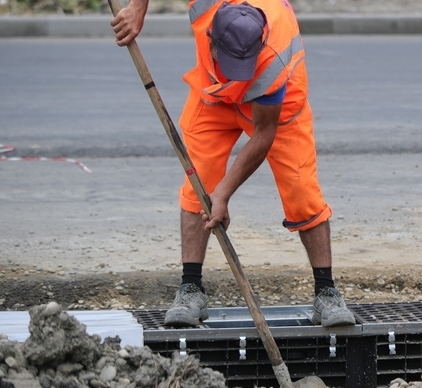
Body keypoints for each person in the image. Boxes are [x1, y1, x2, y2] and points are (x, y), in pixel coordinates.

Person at [111, 0, 355, 328]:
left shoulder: (273, 55)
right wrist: (137, 9)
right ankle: (190, 288)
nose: (234, 70)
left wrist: (225, 193)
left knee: (302, 190)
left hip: (278, 107)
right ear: (210, 35)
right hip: (213, 99)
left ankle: (326, 292)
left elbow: (263, 134)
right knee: (198, 184)